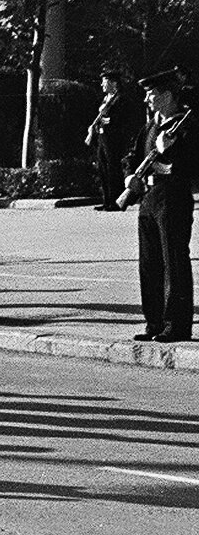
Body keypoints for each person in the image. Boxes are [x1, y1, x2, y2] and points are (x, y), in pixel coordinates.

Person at [126, 67, 195, 343]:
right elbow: (133, 155)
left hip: (173, 197)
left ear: (167, 95)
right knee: (149, 263)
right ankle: (153, 321)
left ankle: (176, 325)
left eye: (152, 94)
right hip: (149, 199)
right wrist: (130, 176)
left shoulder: (187, 125)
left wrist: (171, 153)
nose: (148, 100)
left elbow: (193, 164)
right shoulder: (151, 125)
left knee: (173, 262)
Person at [89, 69, 141, 213]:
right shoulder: (106, 98)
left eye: (104, 82)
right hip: (102, 138)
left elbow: (120, 120)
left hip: (114, 140)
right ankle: (106, 201)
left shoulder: (120, 99)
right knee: (103, 169)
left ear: (113, 82)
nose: (102, 85)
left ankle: (115, 201)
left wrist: (105, 119)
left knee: (113, 170)